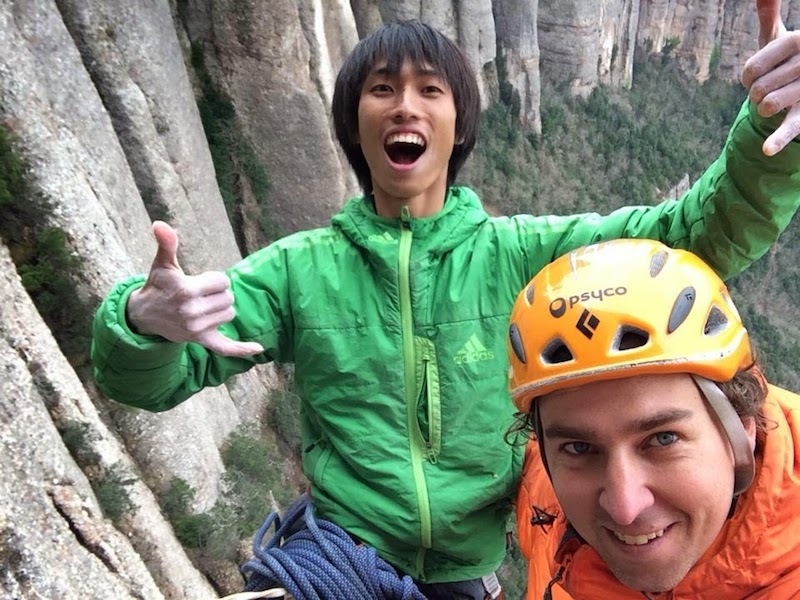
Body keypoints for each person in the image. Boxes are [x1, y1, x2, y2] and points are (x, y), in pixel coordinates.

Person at [91, 2, 800, 597]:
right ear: (352, 124)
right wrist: (142, 324)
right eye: (381, 89)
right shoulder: (297, 272)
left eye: (431, 90)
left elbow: (688, 240)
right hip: (342, 561)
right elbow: (151, 383)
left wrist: (772, 126)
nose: (406, 105)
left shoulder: (522, 255)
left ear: (460, 124)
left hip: (468, 575)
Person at [508, 238, 800, 599]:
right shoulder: (546, 485)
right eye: (580, 447)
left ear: (742, 427)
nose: (624, 507)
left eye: (663, 439)